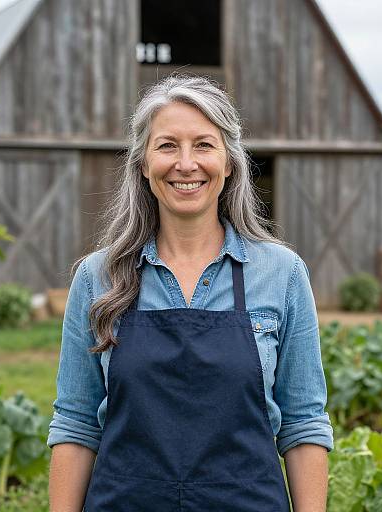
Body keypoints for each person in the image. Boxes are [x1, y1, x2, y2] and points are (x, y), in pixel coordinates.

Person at [47, 75, 333, 512]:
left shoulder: (282, 275)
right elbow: (76, 423)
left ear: (229, 162)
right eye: (167, 146)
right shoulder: (97, 277)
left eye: (203, 144)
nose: (185, 163)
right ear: (142, 164)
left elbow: (303, 424)